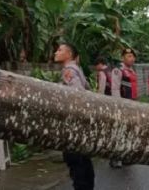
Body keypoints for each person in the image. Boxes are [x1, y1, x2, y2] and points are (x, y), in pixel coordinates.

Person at [54, 43, 95, 190]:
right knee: (84, 166)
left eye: (59, 50)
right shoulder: (76, 69)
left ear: (69, 54)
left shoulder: (69, 70)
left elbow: (77, 98)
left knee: (78, 167)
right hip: (80, 127)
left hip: (74, 128)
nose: (55, 52)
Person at [109, 48, 138, 168]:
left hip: (132, 105)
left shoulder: (131, 71)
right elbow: (115, 89)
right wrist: (119, 106)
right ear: (123, 58)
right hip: (123, 105)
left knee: (129, 131)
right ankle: (115, 158)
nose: (130, 58)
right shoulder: (118, 70)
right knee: (119, 132)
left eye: (132, 56)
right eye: (128, 56)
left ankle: (126, 156)